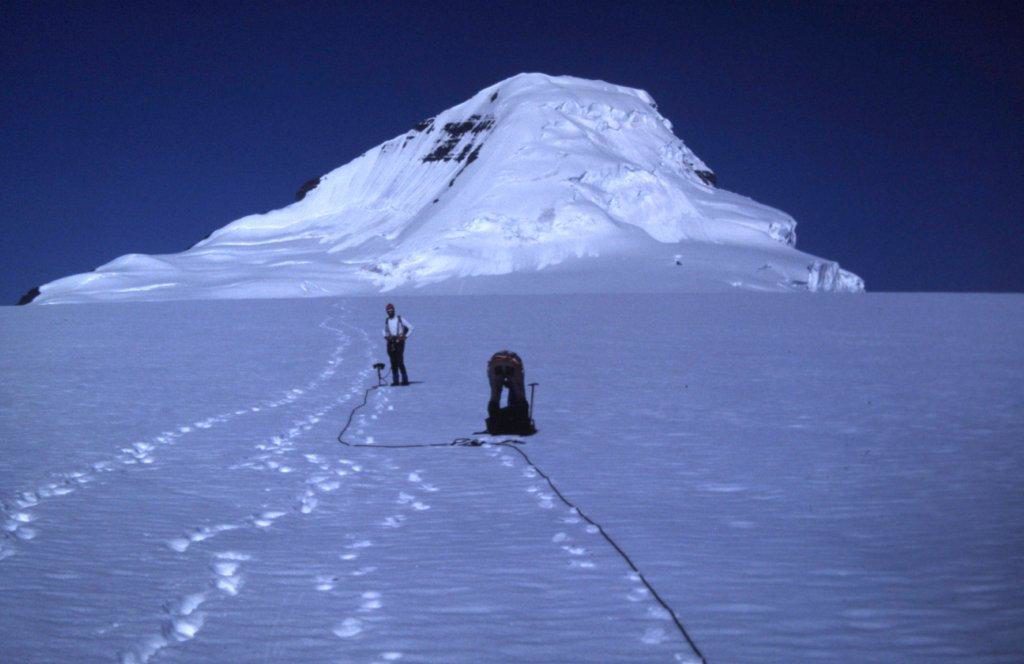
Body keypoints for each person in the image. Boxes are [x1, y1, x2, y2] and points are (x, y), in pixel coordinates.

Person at [383, 303, 413, 386]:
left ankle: (405, 380)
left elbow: (411, 328)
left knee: (400, 361)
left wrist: (404, 337)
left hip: (399, 342)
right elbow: (384, 331)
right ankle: (395, 380)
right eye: (388, 311)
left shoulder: (400, 319)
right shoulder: (387, 320)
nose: (390, 312)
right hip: (391, 343)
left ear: (394, 310)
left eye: (391, 310)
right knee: (393, 362)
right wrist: (386, 337)